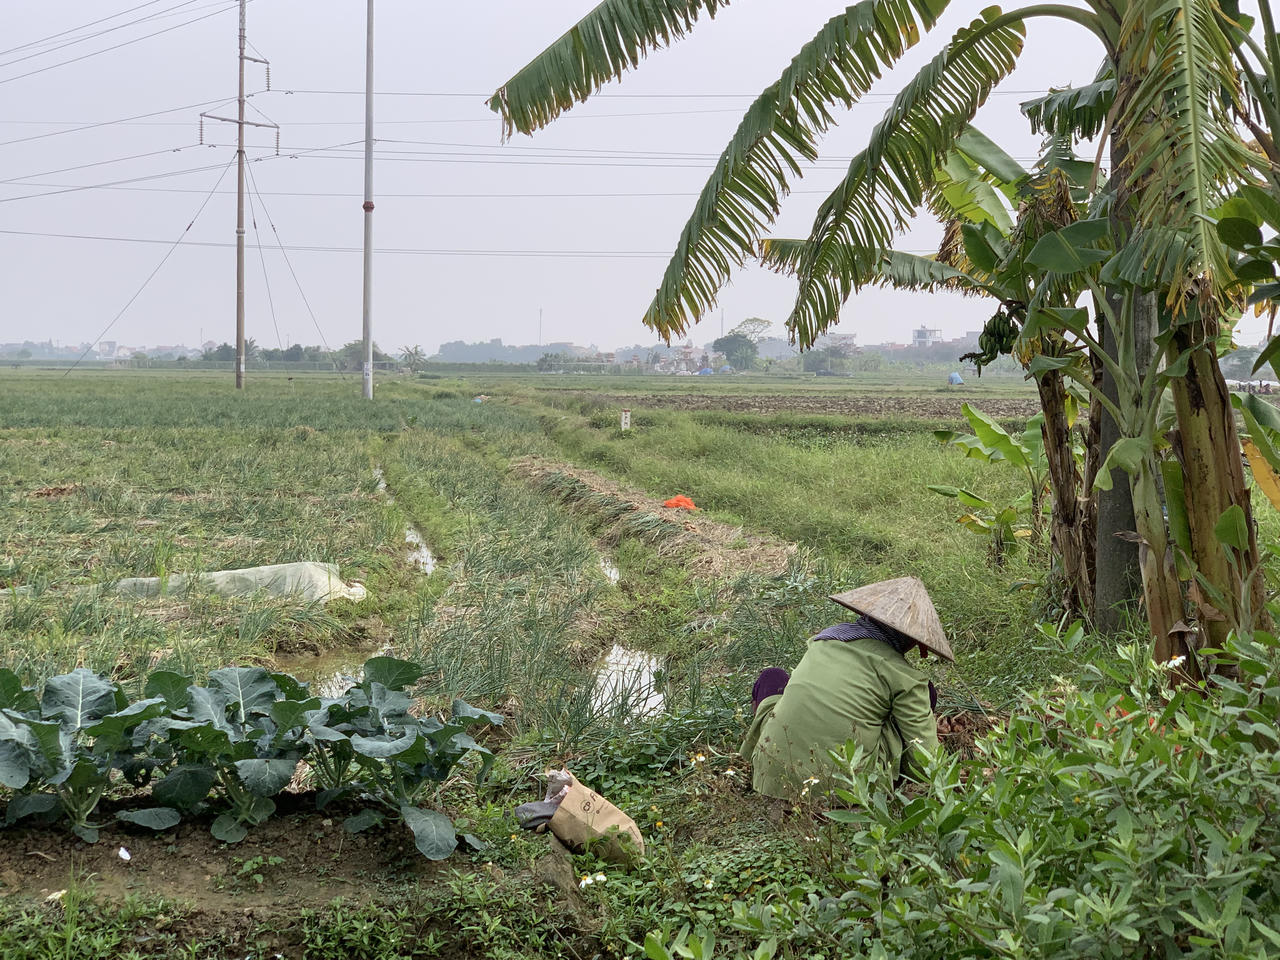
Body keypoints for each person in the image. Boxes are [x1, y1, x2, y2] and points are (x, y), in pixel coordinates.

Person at [740, 576, 953, 800]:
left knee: (772, 677)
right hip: (846, 789)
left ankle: (758, 757)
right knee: (926, 693)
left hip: (770, 776)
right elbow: (926, 761)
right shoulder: (905, 678)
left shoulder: (822, 642)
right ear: (912, 641)